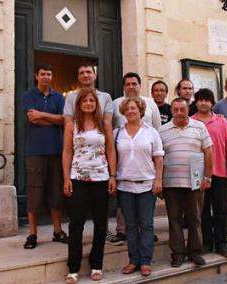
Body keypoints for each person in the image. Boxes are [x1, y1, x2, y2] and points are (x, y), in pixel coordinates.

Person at [62, 87, 117, 283]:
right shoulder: (72, 125)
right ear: (79, 104)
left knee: (101, 223)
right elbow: (67, 152)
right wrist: (66, 178)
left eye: (91, 101)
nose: (88, 104)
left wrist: (112, 175)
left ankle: (96, 265)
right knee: (76, 224)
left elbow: (111, 151)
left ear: (96, 104)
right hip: (77, 178)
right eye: (84, 101)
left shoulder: (105, 124)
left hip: (101, 178)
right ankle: (73, 268)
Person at [107, 72, 161, 246]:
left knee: (146, 205)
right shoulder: (115, 104)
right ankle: (122, 231)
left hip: (146, 157)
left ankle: (146, 232)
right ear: (124, 86)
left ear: (139, 85)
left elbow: (157, 128)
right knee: (125, 203)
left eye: (134, 83)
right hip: (123, 157)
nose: (131, 86)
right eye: (128, 84)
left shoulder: (151, 104)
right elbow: (111, 130)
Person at [159, 97, 213, 267]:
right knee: (174, 219)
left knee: (195, 218)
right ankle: (178, 253)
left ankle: (195, 252)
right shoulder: (162, 130)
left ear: (188, 109)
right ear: (171, 111)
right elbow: (158, 157)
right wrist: (159, 181)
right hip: (171, 183)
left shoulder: (199, 127)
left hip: (195, 182)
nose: (179, 113)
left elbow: (208, 153)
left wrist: (207, 177)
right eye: (176, 110)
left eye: (182, 109)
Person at [115, 97, 164, 277]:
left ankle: (145, 261)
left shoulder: (151, 132)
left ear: (141, 110)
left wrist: (159, 180)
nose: (130, 111)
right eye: (127, 109)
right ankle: (133, 260)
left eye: (134, 108)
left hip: (147, 185)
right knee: (130, 226)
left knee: (146, 225)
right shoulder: (117, 133)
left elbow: (159, 159)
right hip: (125, 185)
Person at [22, 63, 68, 249]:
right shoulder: (28, 96)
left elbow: (65, 120)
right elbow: (32, 119)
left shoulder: (59, 97)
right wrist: (53, 119)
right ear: (36, 76)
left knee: (56, 192)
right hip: (35, 151)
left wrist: (42, 115)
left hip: (57, 151)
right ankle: (32, 234)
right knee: (34, 192)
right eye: (43, 74)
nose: (46, 77)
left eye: (49, 74)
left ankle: (57, 231)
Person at [191, 89, 227, 258]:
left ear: (212, 103)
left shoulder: (222, 122)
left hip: (219, 173)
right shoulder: (191, 122)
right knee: (202, 211)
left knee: (220, 210)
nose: (203, 103)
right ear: (196, 103)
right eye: (200, 100)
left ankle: (221, 243)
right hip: (199, 175)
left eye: (207, 100)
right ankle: (206, 243)